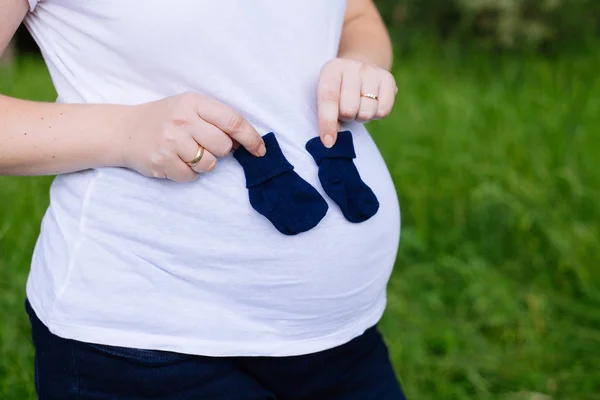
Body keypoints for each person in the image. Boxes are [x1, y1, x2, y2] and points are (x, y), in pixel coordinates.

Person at [0, 0, 404, 398]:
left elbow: (356, 16)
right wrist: (123, 132)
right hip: (148, 350)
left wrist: (361, 64)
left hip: (342, 339)